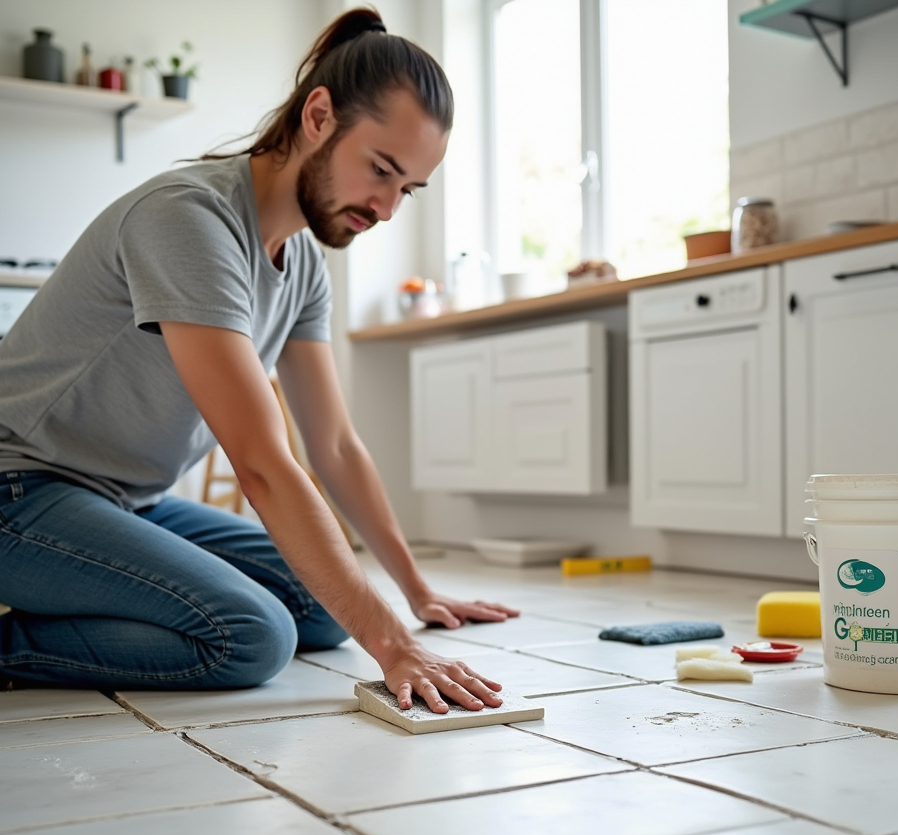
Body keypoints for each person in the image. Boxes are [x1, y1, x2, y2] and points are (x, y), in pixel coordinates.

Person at [0, 8, 517, 714]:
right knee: (248, 635)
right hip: (18, 491)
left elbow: (334, 445)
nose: (389, 208)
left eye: (409, 189)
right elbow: (263, 462)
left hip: (126, 502)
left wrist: (415, 593)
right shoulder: (188, 219)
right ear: (318, 116)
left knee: (326, 606)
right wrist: (395, 646)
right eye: (381, 171)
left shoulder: (302, 263)